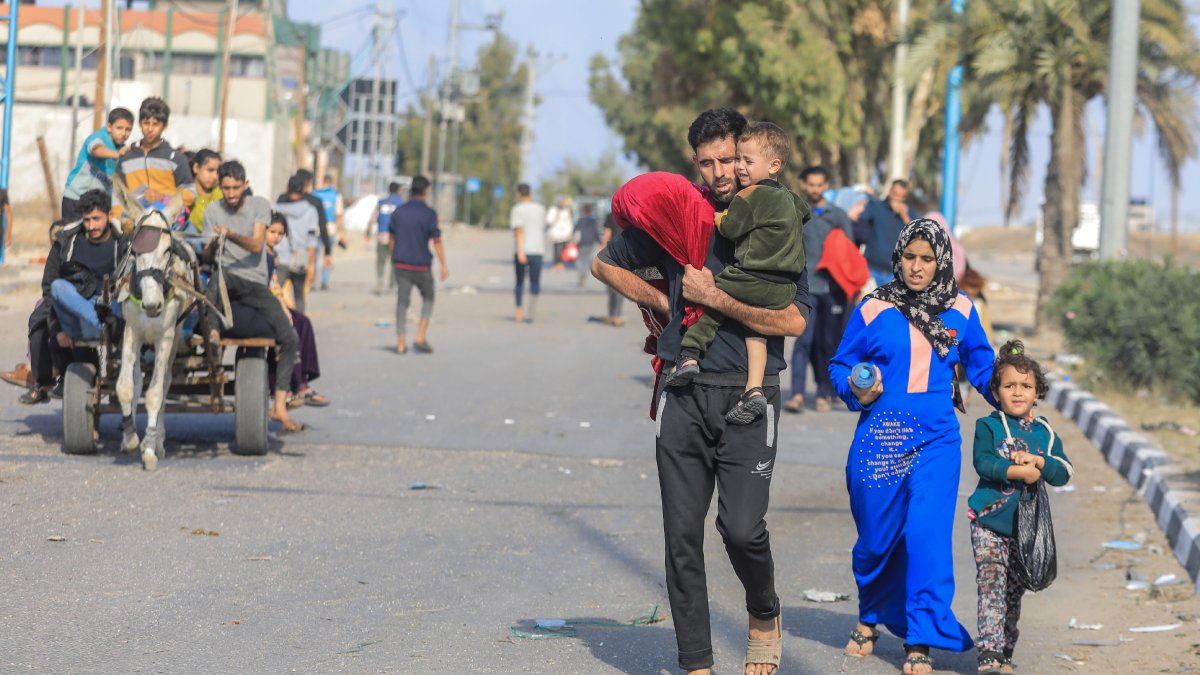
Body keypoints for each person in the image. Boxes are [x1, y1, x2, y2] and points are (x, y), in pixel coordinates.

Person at [593, 107, 809, 675]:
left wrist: (715, 301)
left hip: (748, 394)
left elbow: (792, 322)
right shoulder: (676, 215)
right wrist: (671, 308)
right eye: (706, 162)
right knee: (681, 535)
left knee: (741, 529)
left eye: (728, 159)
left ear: (745, 156)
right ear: (695, 163)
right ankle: (697, 662)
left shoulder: (770, 216)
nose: (718, 172)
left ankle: (764, 612)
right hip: (681, 390)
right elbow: (604, 265)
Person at [830, 218, 997, 675]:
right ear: (897, 258)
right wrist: (854, 388)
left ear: (941, 261)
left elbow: (981, 364)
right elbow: (841, 364)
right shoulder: (873, 307)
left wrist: (1007, 389)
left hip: (937, 439)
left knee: (926, 537)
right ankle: (870, 614)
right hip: (880, 438)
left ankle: (920, 637)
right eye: (909, 257)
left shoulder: (961, 308)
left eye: (927, 259)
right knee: (876, 540)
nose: (917, 267)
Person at [661, 122, 808, 426]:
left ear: (773, 164)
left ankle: (688, 353)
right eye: (737, 159)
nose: (737, 168)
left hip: (751, 276)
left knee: (712, 302)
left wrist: (718, 217)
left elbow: (731, 228)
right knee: (757, 330)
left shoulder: (750, 197)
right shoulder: (790, 199)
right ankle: (754, 389)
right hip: (781, 287)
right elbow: (804, 212)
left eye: (741, 161)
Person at [968, 340, 1072, 675]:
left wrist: (1040, 462)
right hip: (988, 522)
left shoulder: (1045, 433)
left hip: (1025, 531)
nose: (1017, 392)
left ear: (1037, 392)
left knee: (1014, 594)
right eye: (1009, 385)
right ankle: (988, 652)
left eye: (1026, 386)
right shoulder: (989, 426)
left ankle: (1005, 649)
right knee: (991, 585)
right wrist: (1017, 471)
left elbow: (1063, 472)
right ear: (996, 391)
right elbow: (983, 463)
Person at [202, 161, 302, 433]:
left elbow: (257, 244)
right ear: (220, 187)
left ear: (245, 185)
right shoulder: (213, 210)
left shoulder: (259, 205)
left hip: (254, 283)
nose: (231, 194)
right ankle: (211, 333)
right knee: (216, 281)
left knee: (290, 337)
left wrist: (230, 234)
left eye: (235, 188)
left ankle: (279, 405)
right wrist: (212, 245)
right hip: (224, 279)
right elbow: (208, 256)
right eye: (225, 188)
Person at [785, 165, 855, 414]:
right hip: (805, 289)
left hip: (833, 290)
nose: (815, 189)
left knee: (829, 343)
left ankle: (824, 393)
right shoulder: (795, 213)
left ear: (826, 186)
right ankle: (797, 395)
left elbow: (849, 252)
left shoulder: (837, 216)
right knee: (803, 342)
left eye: (820, 184)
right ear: (803, 184)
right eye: (810, 184)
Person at [263, 212, 330, 408]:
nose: (275, 237)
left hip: (274, 303)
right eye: (272, 231)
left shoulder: (271, 254)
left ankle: (302, 383)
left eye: (280, 233)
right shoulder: (260, 253)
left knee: (303, 322)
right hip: (264, 305)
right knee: (294, 326)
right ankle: (294, 386)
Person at [387, 175, 448, 354]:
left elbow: (391, 238)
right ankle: (420, 335)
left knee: (402, 302)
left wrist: (394, 257)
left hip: (401, 264)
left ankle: (400, 342)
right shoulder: (430, 214)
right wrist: (444, 264)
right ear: (426, 191)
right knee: (428, 298)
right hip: (422, 265)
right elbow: (436, 241)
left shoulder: (399, 212)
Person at [115, 97, 193, 218]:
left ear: (165, 126)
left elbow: (190, 194)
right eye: (146, 123)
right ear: (140, 124)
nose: (150, 129)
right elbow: (117, 193)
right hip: (134, 220)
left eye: (156, 124)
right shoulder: (126, 158)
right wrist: (118, 218)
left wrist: (163, 197)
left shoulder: (176, 159)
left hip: (167, 221)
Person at [61, 107, 133, 222]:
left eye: (128, 129)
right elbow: (96, 150)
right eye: (119, 128)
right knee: (72, 236)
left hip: (97, 206)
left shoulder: (122, 150)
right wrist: (117, 154)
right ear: (109, 126)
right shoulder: (99, 137)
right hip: (76, 198)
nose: (123, 133)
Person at [855, 179, 919, 287]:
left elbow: (917, 239)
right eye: (895, 194)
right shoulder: (876, 207)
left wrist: (905, 218)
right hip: (872, 270)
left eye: (901, 196)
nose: (897, 199)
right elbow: (859, 224)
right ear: (890, 192)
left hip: (895, 274)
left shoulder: (910, 214)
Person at [274, 174, 321, 313]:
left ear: (287, 188)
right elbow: (312, 240)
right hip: (300, 260)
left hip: (280, 259)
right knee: (299, 297)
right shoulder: (311, 211)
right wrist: (312, 264)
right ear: (304, 190)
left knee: (274, 294)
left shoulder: (276, 208)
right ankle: (300, 328)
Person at [510, 183, 546, 323]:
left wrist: (520, 252)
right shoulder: (540, 209)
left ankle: (519, 309)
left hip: (522, 250)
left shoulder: (517, 209)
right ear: (530, 194)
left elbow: (519, 231)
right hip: (538, 250)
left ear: (519, 194)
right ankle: (531, 311)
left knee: (519, 282)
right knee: (535, 282)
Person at [312, 173, 344, 291]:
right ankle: (324, 282)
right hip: (330, 230)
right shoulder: (336, 196)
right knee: (327, 255)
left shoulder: (314, 194)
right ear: (331, 182)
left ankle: (312, 280)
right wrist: (342, 232)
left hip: (315, 229)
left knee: (314, 256)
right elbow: (339, 215)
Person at [370, 182, 404, 294]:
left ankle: (380, 280)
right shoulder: (401, 204)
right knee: (394, 261)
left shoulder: (381, 202)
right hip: (396, 237)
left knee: (381, 260)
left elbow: (374, 217)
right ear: (398, 191)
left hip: (382, 235)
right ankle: (391, 284)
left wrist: (368, 231)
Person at [182, 149, 222, 234]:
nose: (215, 176)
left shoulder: (221, 193)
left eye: (218, 172)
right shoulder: (186, 193)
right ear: (196, 168)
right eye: (210, 170)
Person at [599, 211, 624, 326]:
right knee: (620, 286)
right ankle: (616, 316)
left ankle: (612, 315)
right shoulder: (632, 215)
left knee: (611, 286)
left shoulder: (611, 215)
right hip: (626, 254)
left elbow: (607, 233)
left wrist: (602, 252)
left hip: (611, 253)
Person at [574, 202, 603, 287]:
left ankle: (581, 275)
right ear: (591, 211)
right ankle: (585, 275)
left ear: (583, 211)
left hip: (581, 243)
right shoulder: (594, 220)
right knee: (589, 260)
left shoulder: (580, 220)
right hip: (591, 243)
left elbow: (575, 231)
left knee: (581, 260)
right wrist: (600, 241)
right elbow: (596, 232)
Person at [545, 195, 574, 272]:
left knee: (563, 250)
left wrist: (570, 232)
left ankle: (561, 264)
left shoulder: (566, 210)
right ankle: (556, 264)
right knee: (557, 250)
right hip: (555, 234)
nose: (563, 203)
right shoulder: (553, 209)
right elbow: (548, 221)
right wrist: (555, 217)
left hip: (564, 235)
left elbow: (569, 222)